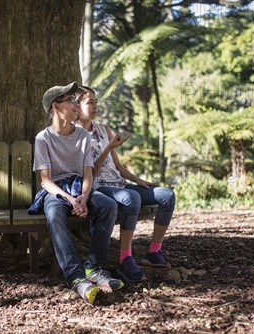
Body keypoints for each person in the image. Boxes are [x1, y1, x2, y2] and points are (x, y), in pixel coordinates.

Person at [33, 82, 123, 305]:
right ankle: (75, 276)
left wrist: (83, 196)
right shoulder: (43, 139)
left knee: (107, 205)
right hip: (55, 191)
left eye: (76, 100)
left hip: (79, 187)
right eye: (71, 101)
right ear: (56, 106)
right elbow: (45, 180)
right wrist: (70, 199)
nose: (75, 105)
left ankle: (94, 267)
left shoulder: (83, 136)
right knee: (54, 214)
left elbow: (87, 174)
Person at [75, 85, 176, 282]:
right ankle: (125, 260)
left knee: (166, 195)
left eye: (96, 102)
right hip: (98, 187)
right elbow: (90, 173)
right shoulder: (76, 136)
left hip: (119, 184)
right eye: (90, 103)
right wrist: (108, 148)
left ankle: (153, 253)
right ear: (77, 107)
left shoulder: (104, 130)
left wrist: (139, 180)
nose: (95, 106)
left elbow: (118, 166)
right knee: (132, 198)